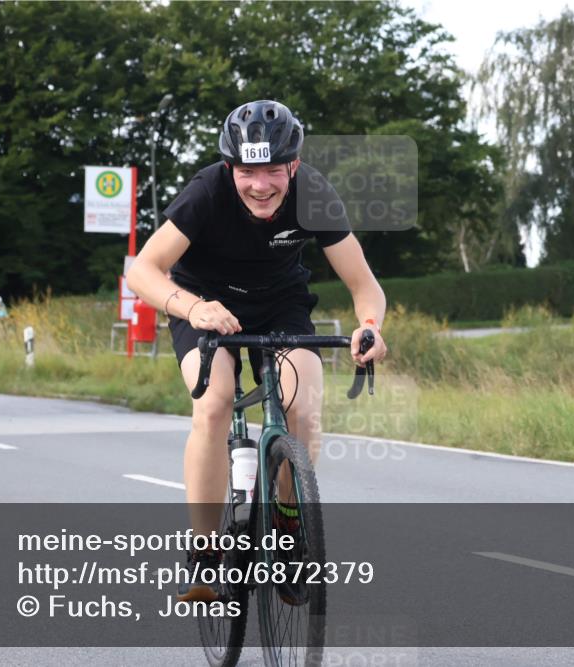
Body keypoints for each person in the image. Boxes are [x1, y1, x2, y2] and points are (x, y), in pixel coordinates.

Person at [127, 100, 387, 601]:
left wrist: (369, 326)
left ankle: (289, 527)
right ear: (230, 167)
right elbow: (143, 271)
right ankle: (204, 554)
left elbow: (364, 285)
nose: (260, 185)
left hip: (281, 305)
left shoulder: (313, 192)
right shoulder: (206, 192)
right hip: (204, 304)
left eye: (273, 171)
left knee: (302, 405)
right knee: (215, 401)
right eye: (247, 171)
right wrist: (191, 307)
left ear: (293, 164)